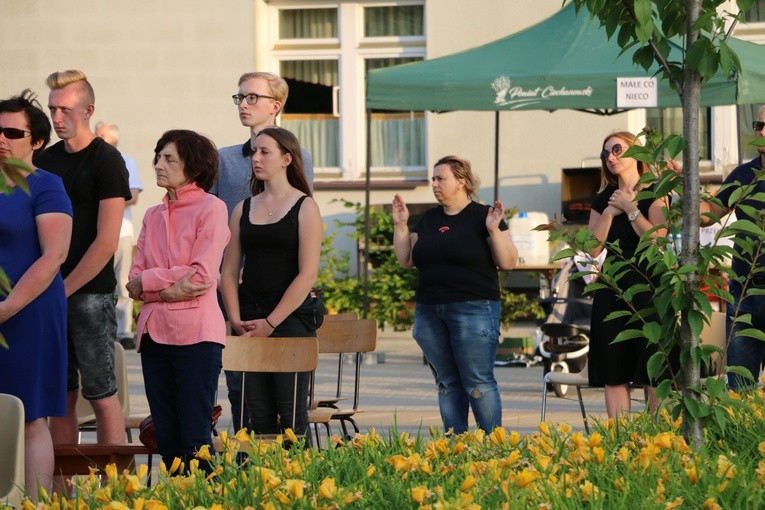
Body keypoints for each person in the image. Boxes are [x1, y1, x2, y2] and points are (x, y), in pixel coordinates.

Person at [212, 71, 315, 431]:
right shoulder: (222, 159)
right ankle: (248, 477)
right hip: (238, 298)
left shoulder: (298, 163)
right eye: (239, 97)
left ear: (276, 105)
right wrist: (232, 309)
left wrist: (274, 320)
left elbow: (302, 245)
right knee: (243, 397)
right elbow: (214, 228)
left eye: (252, 97)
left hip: (283, 305)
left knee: (289, 412)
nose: (243, 104)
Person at [33, 70, 129, 446]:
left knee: (101, 392)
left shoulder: (107, 160)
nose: (57, 118)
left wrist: (61, 289)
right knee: (61, 397)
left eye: (66, 110)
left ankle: (118, 492)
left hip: (89, 294)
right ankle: (61, 492)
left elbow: (106, 243)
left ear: (88, 110)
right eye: (52, 109)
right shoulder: (46, 160)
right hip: (49, 290)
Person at [392, 155, 518, 434]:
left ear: (461, 182)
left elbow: (509, 262)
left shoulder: (483, 216)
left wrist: (494, 230)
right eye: (433, 179)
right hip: (429, 310)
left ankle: (493, 448)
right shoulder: (427, 219)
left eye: (440, 178)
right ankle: (456, 448)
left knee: (477, 381)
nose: (434, 184)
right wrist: (401, 225)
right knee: (447, 382)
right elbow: (406, 260)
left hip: (473, 308)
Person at [127, 129, 229, 469]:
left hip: (196, 337)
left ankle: (207, 502)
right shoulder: (152, 215)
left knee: (195, 437)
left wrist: (151, 283)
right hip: (154, 335)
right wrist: (165, 288)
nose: (158, 164)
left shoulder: (212, 208)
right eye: (158, 156)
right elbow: (132, 282)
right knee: (166, 438)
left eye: (169, 158)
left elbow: (201, 276)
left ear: (195, 167)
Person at [0, 90, 72, 501]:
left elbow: (55, 255)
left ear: (37, 141)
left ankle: (36, 504)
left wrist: (8, 306)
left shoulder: (46, 185)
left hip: (28, 313)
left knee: (29, 415)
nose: (2, 138)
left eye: (12, 131)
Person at [586, 131, 670, 418]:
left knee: (653, 367)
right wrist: (610, 212)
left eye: (618, 149)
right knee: (614, 368)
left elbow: (657, 239)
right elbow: (592, 249)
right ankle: (620, 440)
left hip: (650, 286)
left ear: (637, 153)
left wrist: (630, 208)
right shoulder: (602, 200)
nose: (611, 157)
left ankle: (659, 438)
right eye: (606, 153)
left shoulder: (655, 192)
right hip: (613, 287)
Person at [700, 105, 765, 390]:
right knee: (739, 387)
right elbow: (710, 214)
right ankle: (742, 435)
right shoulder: (744, 175)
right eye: (758, 125)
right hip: (744, 291)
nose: (762, 131)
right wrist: (684, 187)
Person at [95, 121, 144, 350]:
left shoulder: (127, 162)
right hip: (94, 233)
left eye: (107, 138)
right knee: (99, 285)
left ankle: (124, 332)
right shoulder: (90, 160)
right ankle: (102, 329)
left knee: (123, 284)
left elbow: (133, 196)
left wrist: (102, 199)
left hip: (122, 231)